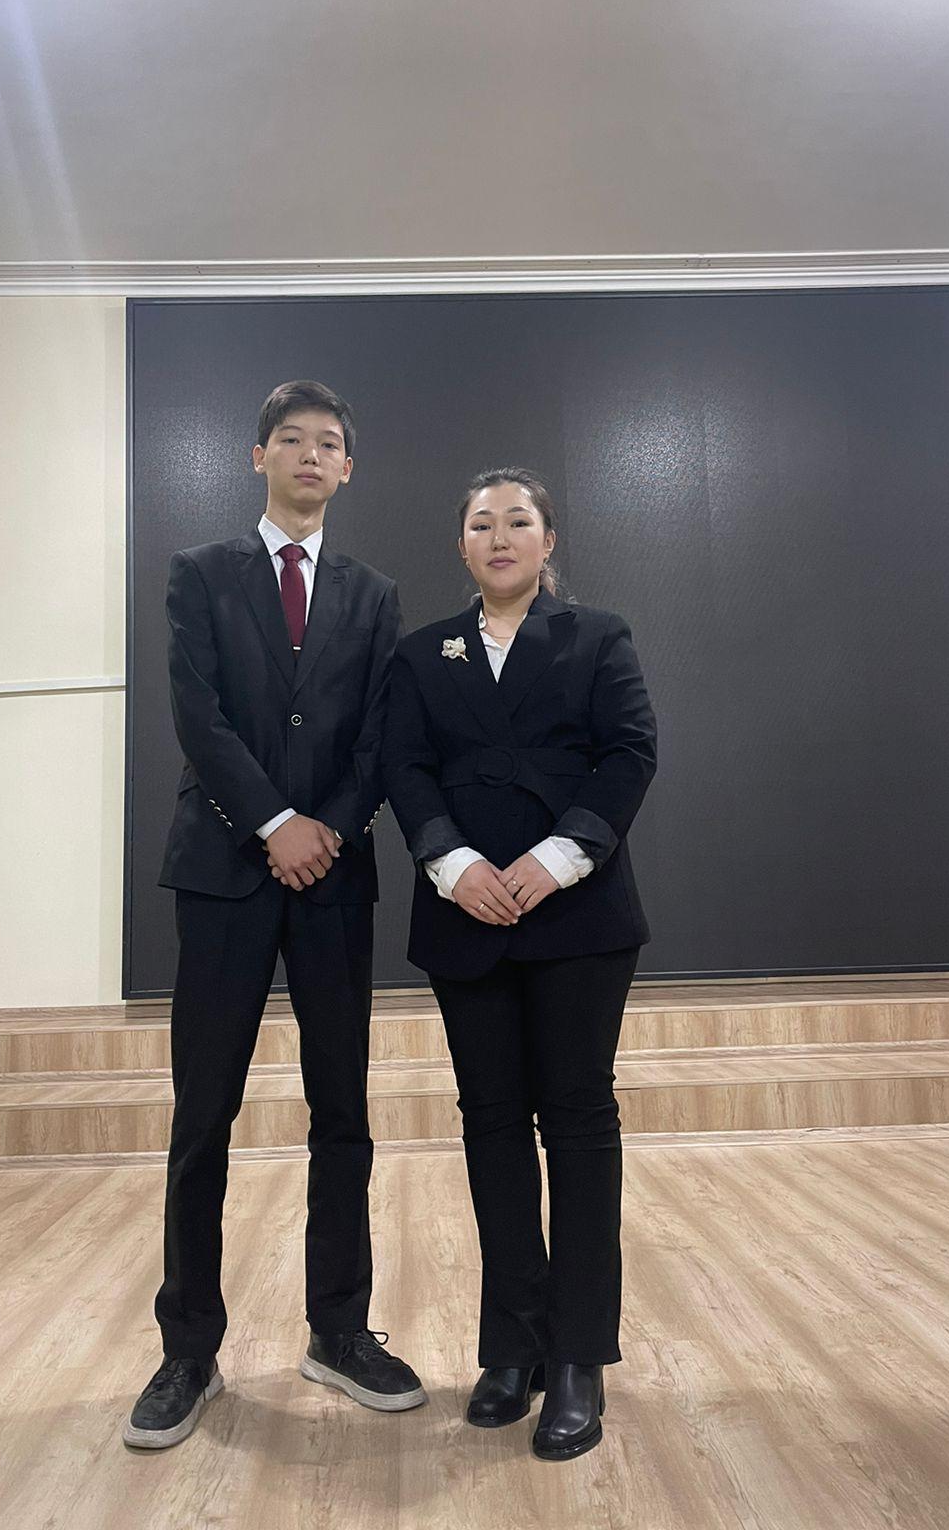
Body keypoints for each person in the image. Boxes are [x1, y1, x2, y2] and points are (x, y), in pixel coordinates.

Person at [124, 380, 425, 1450]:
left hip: (333, 878)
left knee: (342, 1111)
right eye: (290, 439)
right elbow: (199, 719)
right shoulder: (199, 574)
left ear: (347, 468)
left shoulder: (373, 593)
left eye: (328, 442)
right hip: (224, 872)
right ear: (258, 457)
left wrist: (326, 828)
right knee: (201, 1114)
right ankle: (187, 1350)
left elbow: (379, 737)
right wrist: (273, 823)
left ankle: (338, 1331)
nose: (309, 454)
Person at [382, 467, 656, 1462]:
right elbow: (404, 767)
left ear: (548, 540)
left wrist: (558, 857)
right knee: (491, 1124)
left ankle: (578, 1355)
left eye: (518, 521)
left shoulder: (598, 637)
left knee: (577, 1122)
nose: (498, 536)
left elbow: (629, 754)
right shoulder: (423, 653)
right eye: (480, 523)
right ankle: (513, 1345)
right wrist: (454, 866)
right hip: (467, 916)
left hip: (577, 912)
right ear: (461, 544)